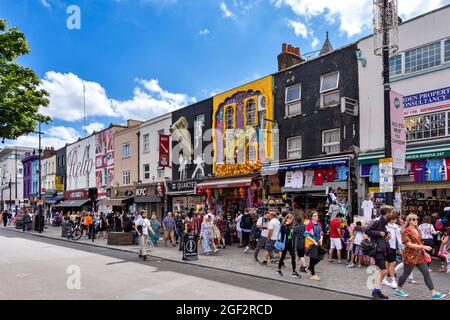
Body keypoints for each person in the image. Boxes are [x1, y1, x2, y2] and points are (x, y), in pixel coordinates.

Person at [393, 214, 446, 299]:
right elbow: (409, 244)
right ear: (409, 220)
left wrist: (424, 252)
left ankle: (434, 293)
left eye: (417, 219)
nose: (416, 221)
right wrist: (423, 247)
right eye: (413, 219)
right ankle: (398, 289)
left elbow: (420, 242)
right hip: (409, 255)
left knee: (426, 273)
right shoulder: (405, 231)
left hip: (419, 255)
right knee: (406, 274)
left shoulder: (418, 229)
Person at [365, 206, 392, 300]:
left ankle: (377, 291)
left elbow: (382, 233)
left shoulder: (383, 223)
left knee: (383, 270)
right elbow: (366, 230)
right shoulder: (377, 221)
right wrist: (379, 233)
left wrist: (387, 233)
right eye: (391, 212)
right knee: (384, 270)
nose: (392, 214)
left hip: (381, 249)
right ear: (386, 213)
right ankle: (375, 291)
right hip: (377, 249)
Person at [383, 212, 404, 289]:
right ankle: (391, 280)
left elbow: (399, 236)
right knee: (390, 263)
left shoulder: (396, 226)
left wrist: (401, 247)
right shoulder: (385, 226)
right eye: (395, 218)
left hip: (393, 247)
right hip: (386, 246)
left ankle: (388, 279)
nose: (396, 220)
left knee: (391, 263)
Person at [276, 214, 300, 278]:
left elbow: (293, 235)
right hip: (284, 244)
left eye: (292, 219)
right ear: (286, 219)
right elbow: (286, 232)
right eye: (290, 219)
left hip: (290, 244)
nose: (291, 220)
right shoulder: (283, 226)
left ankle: (294, 272)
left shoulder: (291, 226)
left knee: (293, 256)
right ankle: (278, 269)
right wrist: (289, 226)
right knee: (283, 257)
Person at [305, 211, 324, 281]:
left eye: (317, 215)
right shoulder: (310, 224)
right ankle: (312, 274)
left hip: (318, 243)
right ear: (312, 217)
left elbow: (321, 232)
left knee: (320, 257)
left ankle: (309, 268)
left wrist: (321, 239)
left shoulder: (319, 223)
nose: (316, 217)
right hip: (312, 243)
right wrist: (314, 241)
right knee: (312, 259)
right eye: (314, 215)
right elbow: (306, 235)